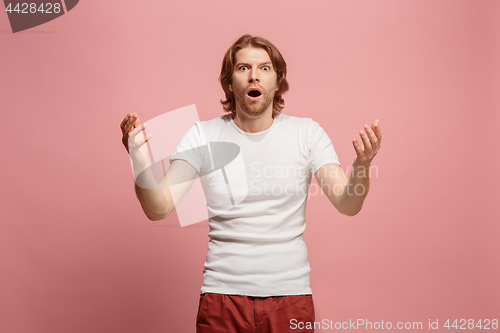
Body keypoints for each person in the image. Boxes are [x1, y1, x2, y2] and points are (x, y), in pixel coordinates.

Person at [119, 34, 382, 333]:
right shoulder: (203, 135)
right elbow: (158, 208)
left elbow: (347, 204)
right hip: (222, 298)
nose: (254, 75)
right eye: (243, 68)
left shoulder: (307, 133)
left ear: (278, 82)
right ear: (230, 83)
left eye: (265, 68)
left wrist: (361, 166)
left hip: (290, 296)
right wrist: (140, 160)